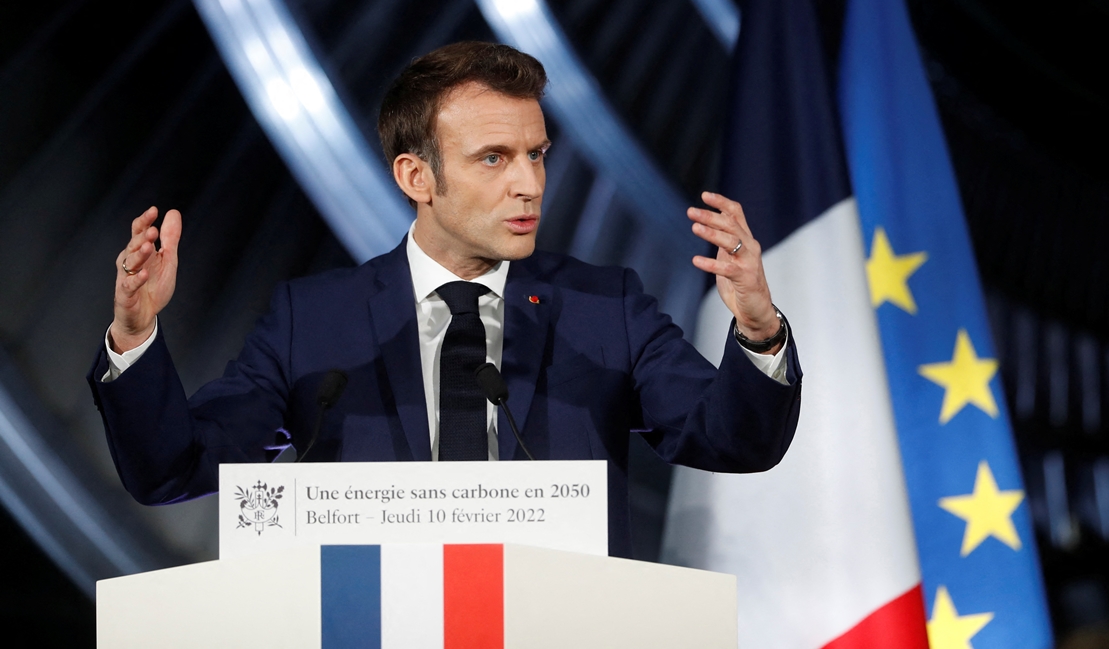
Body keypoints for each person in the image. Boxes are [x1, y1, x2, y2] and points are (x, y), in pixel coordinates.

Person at [87, 41, 802, 557]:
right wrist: (135, 335)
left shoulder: (602, 308)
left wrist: (760, 329)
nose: (528, 184)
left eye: (537, 154)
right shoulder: (316, 320)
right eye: (493, 158)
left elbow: (734, 440)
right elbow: (173, 469)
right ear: (415, 177)